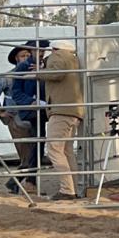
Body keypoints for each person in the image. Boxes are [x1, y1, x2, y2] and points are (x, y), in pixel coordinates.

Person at [35, 39, 85, 201]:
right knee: (67, 151)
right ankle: (73, 188)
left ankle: (67, 189)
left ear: (55, 48)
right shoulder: (74, 58)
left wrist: (39, 72)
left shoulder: (58, 56)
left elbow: (56, 73)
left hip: (61, 110)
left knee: (54, 149)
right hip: (73, 110)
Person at [0, 43, 34, 194]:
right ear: (16, 59)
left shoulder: (34, 74)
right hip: (16, 119)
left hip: (32, 119)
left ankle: (21, 183)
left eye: (28, 56)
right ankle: (16, 183)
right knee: (26, 156)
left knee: (34, 153)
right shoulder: (9, 76)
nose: (26, 58)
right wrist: (0, 112)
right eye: (23, 56)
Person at [10, 39, 50, 189]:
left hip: (45, 109)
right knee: (38, 143)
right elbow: (16, 93)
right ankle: (28, 180)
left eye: (43, 51)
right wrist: (32, 102)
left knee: (38, 144)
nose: (41, 54)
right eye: (38, 50)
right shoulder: (22, 67)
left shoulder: (46, 65)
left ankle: (20, 181)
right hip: (31, 111)